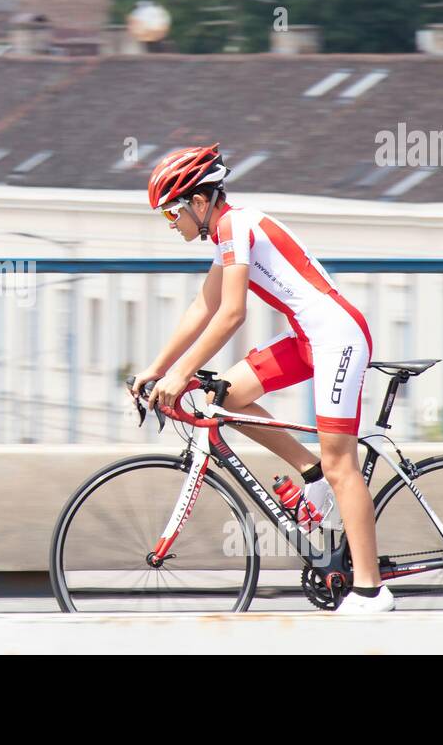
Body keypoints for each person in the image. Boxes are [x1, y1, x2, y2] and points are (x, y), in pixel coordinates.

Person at [131, 145, 393, 613]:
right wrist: (157, 368)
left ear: (198, 202)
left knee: (342, 463)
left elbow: (232, 314)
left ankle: (371, 591)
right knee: (224, 397)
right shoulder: (227, 233)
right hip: (308, 337)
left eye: (172, 212)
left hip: (336, 339)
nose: (170, 224)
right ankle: (309, 471)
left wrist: (180, 374)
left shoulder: (235, 226)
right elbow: (203, 308)